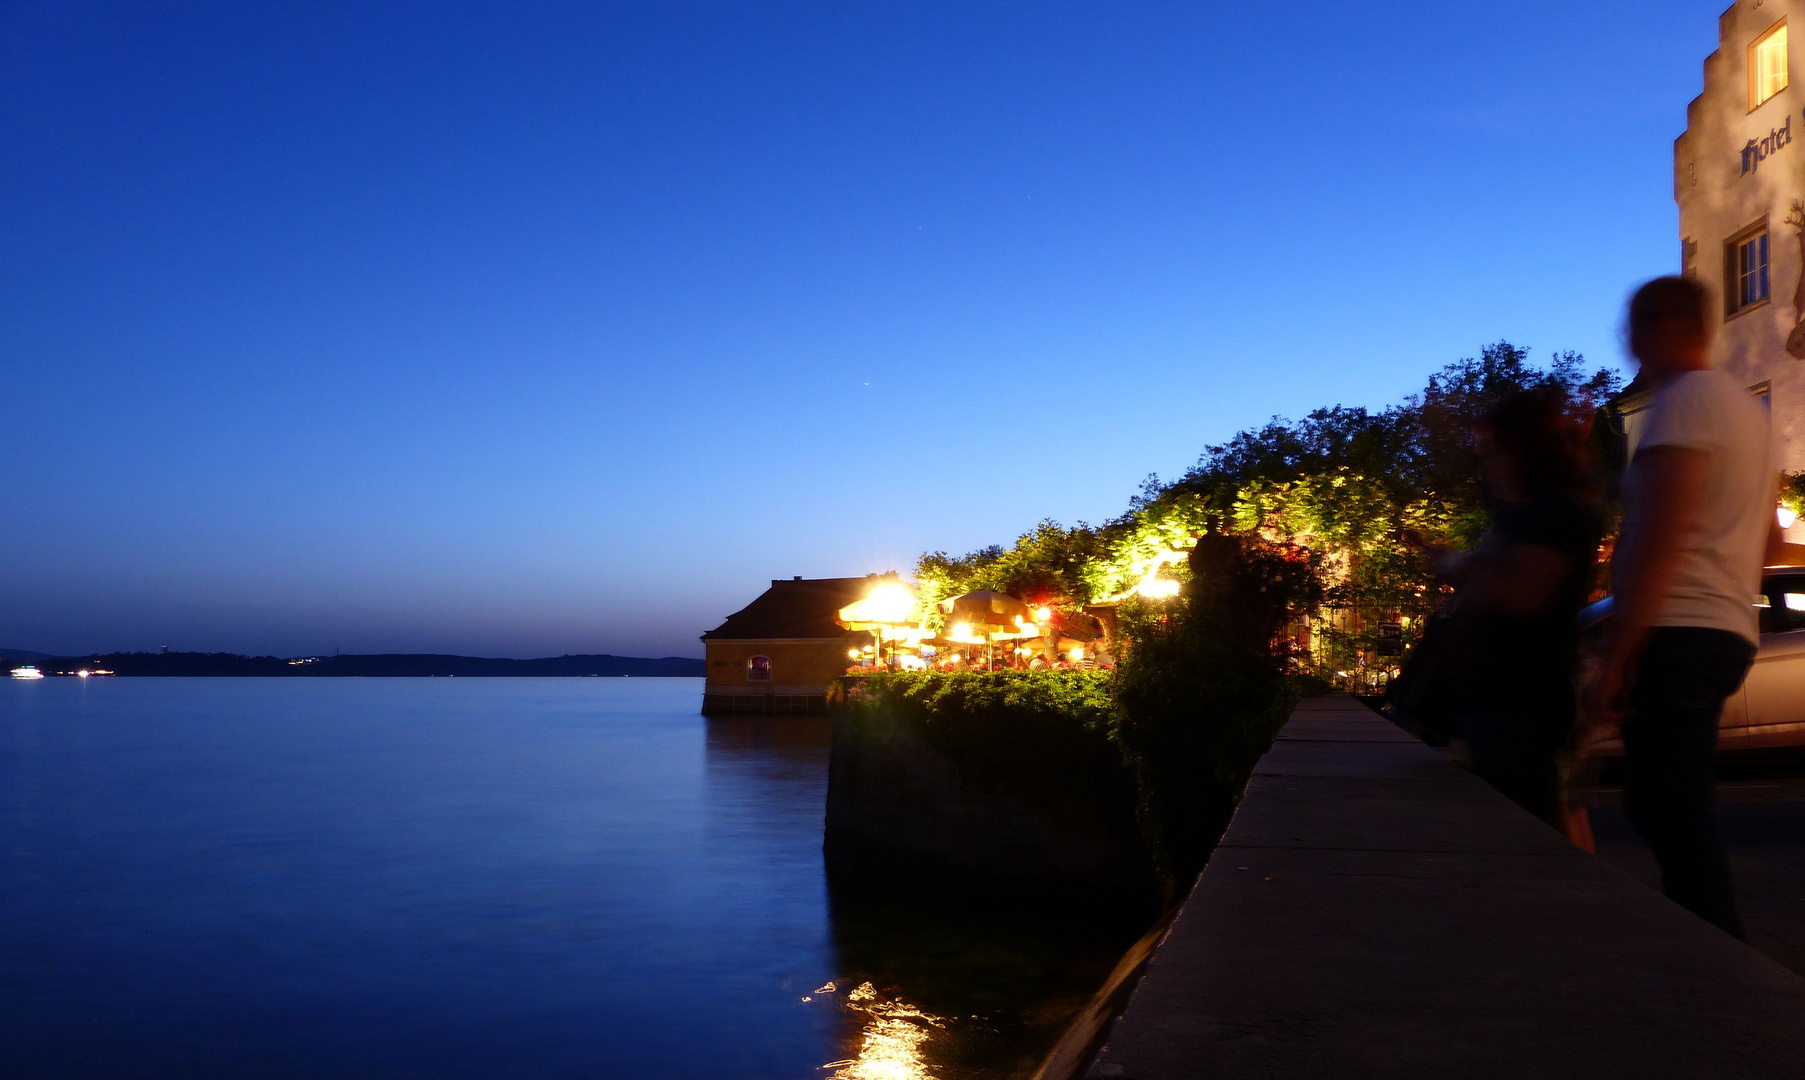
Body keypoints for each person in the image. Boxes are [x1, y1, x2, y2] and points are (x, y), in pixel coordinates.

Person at [1587, 275, 1778, 940]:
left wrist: (1618, 655)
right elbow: (1773, 539)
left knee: (1669, 806)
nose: (1626, 342)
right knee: (1668, 800)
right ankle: (1707, 945)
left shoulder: (1680, 403)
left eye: (1632, 326)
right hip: (1722, 628)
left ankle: (1717, 961)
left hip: (1678, 628)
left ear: (1661, 325)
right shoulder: (1745, 413)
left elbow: (1658, 533)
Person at [1439, 388, 1602, 831]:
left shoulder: (1556, 513)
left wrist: (1456, 564)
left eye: (1495, 451)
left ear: (1524, 451)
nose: (1486, 465)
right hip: (1500, 703)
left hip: (1524, 706)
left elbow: (1520, 594)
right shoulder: (1526, 514)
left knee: (1535, 829)